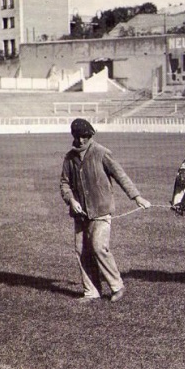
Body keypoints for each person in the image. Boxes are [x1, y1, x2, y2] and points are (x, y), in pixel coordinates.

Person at [60, 118, 151, 303]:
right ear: (73, 136)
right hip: (80, 213)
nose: (82, 140)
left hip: (101, 209)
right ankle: (91, 291)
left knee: (99, 247)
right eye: (79, 137)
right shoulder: (69, 158)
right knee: (81, 250)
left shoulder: (101, 153)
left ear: (90, 136)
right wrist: (71, 200)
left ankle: (117, 286)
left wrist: (137, 197)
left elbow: (120, 175)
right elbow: (64, 183)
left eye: (86, 136)